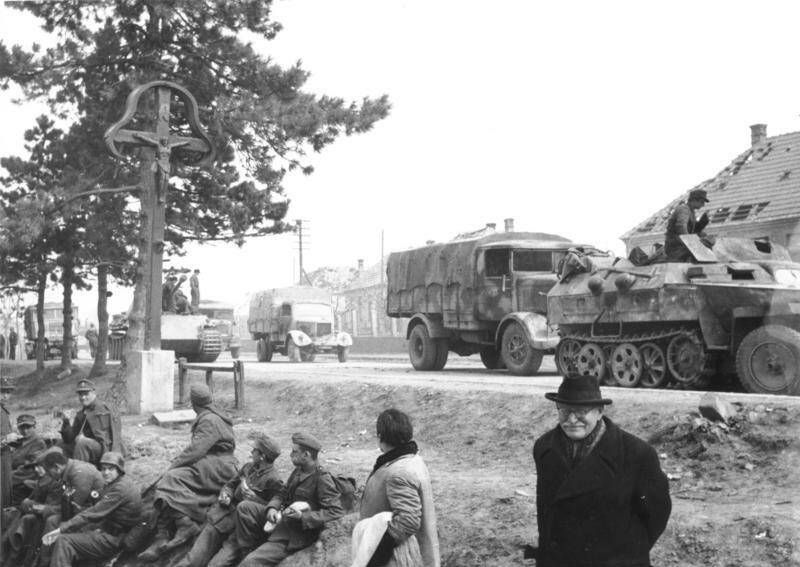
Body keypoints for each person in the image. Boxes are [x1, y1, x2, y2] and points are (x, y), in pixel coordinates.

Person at [531, 373, 671, 567]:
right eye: (564, 410)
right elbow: (545, 514)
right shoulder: (544, 448)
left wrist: (628, 554)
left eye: (581, 411)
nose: (571, 419)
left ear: (599, 411)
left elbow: (656, 515)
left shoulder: (637, 454)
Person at [139, 384, 237, 561]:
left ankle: (185, 524)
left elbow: (196, 451)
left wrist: (174, 465)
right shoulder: (212, 416)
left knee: (170, 478)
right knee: (168, 480)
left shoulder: (209, 420)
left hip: (220, 465)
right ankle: (162, 536)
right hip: (214, 462)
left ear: (194, 403)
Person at [235, 432, 344, 567]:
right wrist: (272, 508)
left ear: (306, 455)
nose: (291, 454)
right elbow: (282, 493)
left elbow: (335, 512)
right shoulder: (298, 470)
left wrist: (303, 517)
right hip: (282, 520)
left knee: (249, 564)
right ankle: (246, 550)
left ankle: (252, 557)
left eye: (294, 452)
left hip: (295, 535)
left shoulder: (322, 478)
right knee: (246, 507)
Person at [177, 433, 284, 567]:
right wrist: (226, 494)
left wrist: (255, 499)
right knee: (193, 560)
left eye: (254, 450)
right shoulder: (247, 467)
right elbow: (230, 485)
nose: (251, 452)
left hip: (240, 531)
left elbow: (273, 509)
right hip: (221, 519)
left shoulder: (274, 480)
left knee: (216, 564)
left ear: (262, 456)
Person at [357, 408, 440, 567]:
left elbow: (407, 521)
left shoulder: (399, 472)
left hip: (395, 558)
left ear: (380, 436)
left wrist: (375, 560)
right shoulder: (412, 460)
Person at [45, 452, 143, 567]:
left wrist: (60, 530)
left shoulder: (120, 488)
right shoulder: (116, 483)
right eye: (104, 469)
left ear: (119, 470)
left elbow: (94, 513)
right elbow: (97, 509)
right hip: (107, 530)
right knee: (71, 531)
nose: (106, 473)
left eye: (110, 469)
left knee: (64, 541)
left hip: (112, 539)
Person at [37, 447, 104, 566]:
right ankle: (45, 563)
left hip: (96, 517)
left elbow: (73, 507)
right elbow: (67, 503)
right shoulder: (70, 470)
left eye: (49, 472)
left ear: (57, 467)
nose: (49, 476)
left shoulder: (79, 473)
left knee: (57, 525)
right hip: (84, 510)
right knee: (51, 521)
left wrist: (48, 510)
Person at [2, 452, 61, 567]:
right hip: (33, 516)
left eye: (40, 466)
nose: (36, 469)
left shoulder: (53, 483)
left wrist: (28, 504)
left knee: (20, 528)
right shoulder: (42, 480)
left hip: (43, 521)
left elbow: (47, 509)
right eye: (35, 466)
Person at [58, 380, 123, 466]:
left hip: (105, 449)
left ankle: (79, 472)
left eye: (86, 394)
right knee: (60, 445)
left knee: (82, 442)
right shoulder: (81, 414)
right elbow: (69, 439)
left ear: (93, 393)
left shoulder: (105, 410)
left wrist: (113, 458)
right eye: (80, 394)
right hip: (89, 449)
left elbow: (115, 434)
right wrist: (66, 421)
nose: (83, 397)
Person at [664, 188, 712, 262]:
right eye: (701, 202)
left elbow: (692, 230)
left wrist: (701, 225)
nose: (703, 205)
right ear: (694, 200)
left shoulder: (691, 211)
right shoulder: (684, 209)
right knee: (705, 242)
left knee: (708, 238)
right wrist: (690, 242)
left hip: (680, 243)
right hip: (675, 246)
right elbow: (681, 226)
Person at [10, 414, 48, 504]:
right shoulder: (19, 442)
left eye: (28, 427)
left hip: (27, 479)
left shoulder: (38, 443)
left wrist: (7, 476)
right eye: (22, 428)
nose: (25, 431)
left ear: (34, 426)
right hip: (16, 476)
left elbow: (30, 469)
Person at [1, 378, 16, 511]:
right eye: (2, 392)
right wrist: (5, 439)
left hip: (5, 456)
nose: (5, 395)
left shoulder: (3, 410)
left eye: (8, 392)